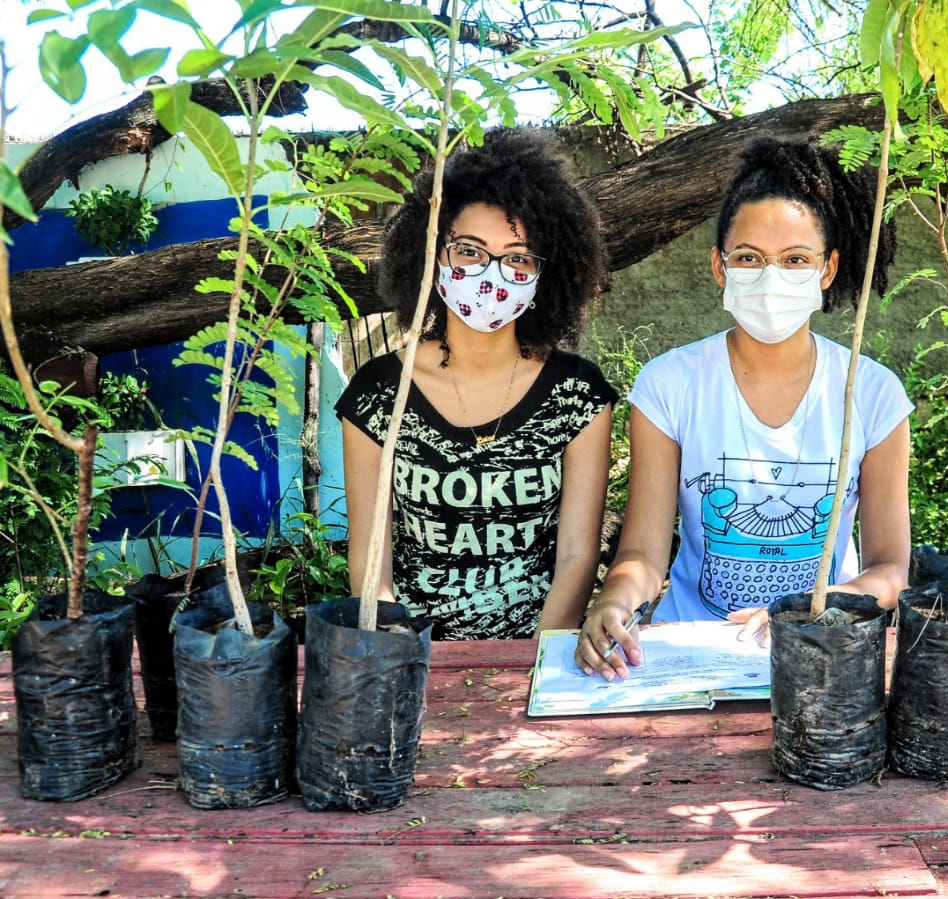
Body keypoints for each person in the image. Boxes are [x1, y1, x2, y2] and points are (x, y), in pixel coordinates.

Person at [576, 135, 912, 679]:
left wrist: (814, 609)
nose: (770, 276)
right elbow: (643, 553)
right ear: (719, 267)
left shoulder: (872, 394)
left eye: (795, 259)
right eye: (749, 258)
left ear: (827, 271)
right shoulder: (670, 385)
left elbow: (891, 569)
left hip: (826, 651)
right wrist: (614, 602)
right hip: (692, 653)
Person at [337, 128, 616, 640]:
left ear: (542, 277)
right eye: (468, 250)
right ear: (431, 254)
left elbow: (578, 555)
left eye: (517, 257)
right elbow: (368, 557)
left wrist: (535, 661)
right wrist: (399, 652)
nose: (491, 273)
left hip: (537, 655)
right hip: (412, 656)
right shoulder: (379, 394)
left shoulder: (578, 394)